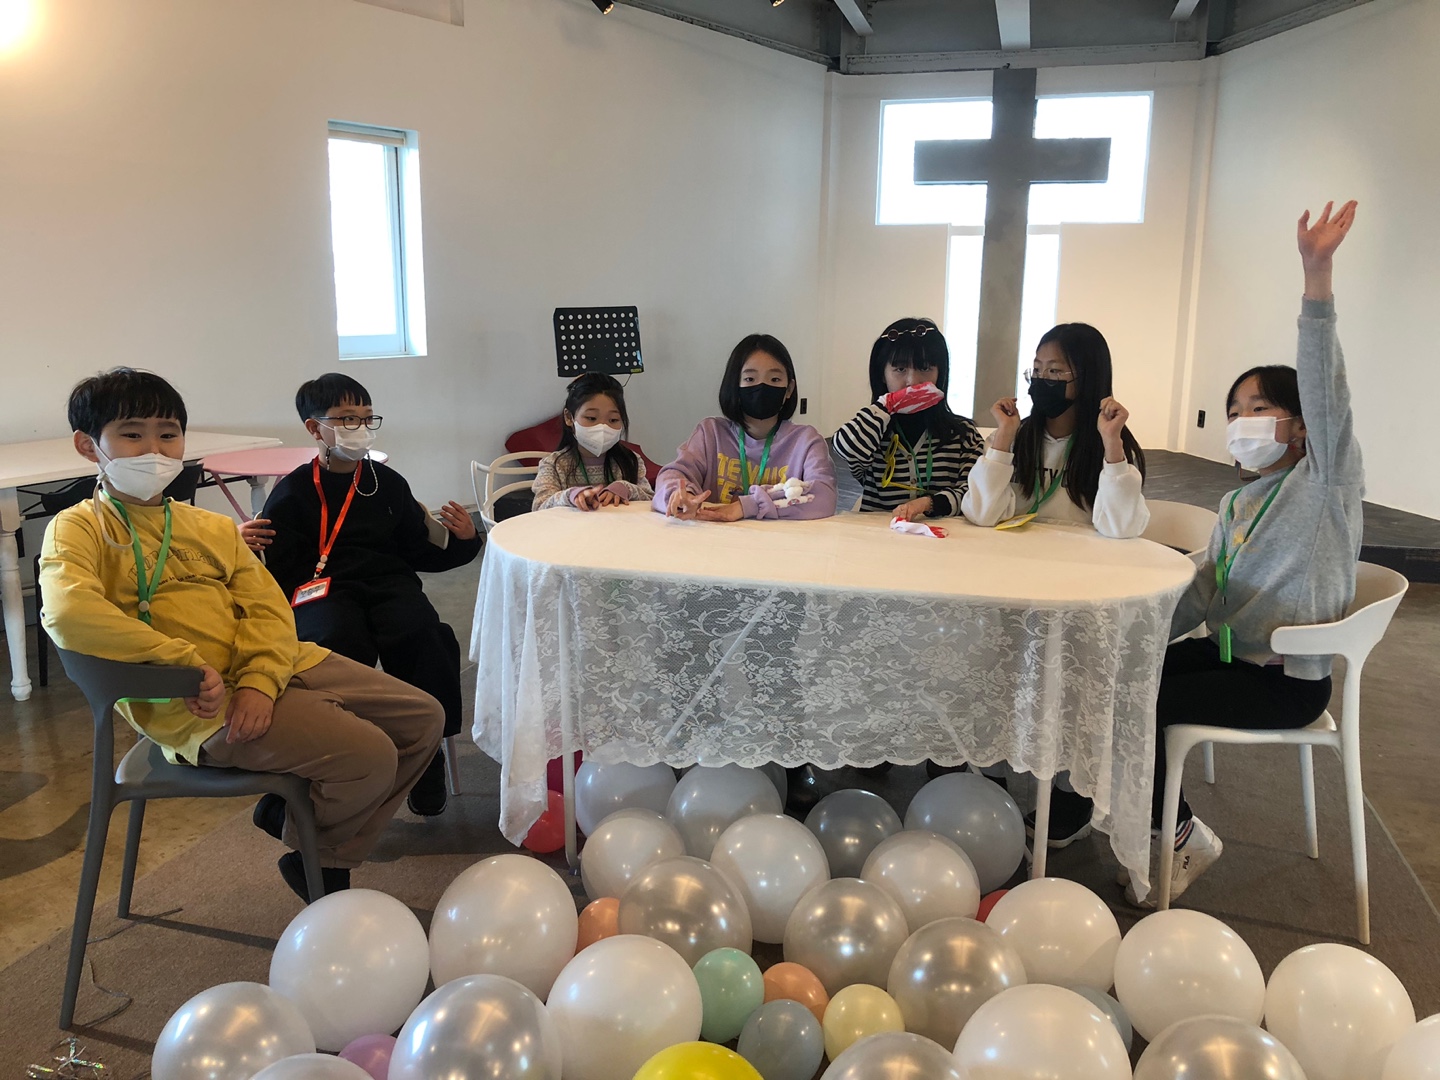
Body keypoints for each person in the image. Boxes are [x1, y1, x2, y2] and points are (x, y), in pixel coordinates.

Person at [39, 368, 443, 902]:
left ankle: (308, 837)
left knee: (423, 719)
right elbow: (68, 612)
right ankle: (324, 867)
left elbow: (267, 606)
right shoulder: (78, 528)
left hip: (275, 666)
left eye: (168, 434)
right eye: (132, 434)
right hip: (195, 702)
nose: (154, 450)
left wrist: (258, 678)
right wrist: (185, 665)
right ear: (89, 446)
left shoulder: (207, 526)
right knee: (369, 757)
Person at [1125, 200, 1363, 906]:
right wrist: (1134, 631)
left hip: (1287, 681)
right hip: (1233, 657)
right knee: (1126, 676)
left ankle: (1180, 835)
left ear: (1300, 424)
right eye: (1234, 412)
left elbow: (1327, 390)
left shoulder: (1324, 484)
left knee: (1153, 702)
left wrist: (1316, 277)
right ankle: (1126, 814)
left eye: (1257, 408)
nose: (1241, 423)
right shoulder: (1235, 505)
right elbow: (1205, 593)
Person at [241, 373, 480, 817]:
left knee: (424, 636)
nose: (361, 428)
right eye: (347, 418)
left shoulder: (387, 483)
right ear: (315, 428)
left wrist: (465, 540)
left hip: (389, 583)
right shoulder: (292, 491)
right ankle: (340, 753)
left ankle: (426, 755)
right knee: (333, 641)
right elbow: (273, 571)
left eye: (368, 418)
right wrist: (243, 549)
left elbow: (420, 549)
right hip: (321, 591)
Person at [962, 323, 1149, 538]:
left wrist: (1112, 444)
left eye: (1054, 371)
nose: (1041, 379)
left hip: (1083, 556)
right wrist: (1004, 437)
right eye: (1037, 369)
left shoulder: (1112, 447)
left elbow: (1122, 529)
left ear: (1087, 377)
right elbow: (981, 514)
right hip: (1016, 553)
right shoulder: (1012, 438)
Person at [653, 334, 837, 522]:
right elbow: (673, 475)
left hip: (779, 540)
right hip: (715, 538)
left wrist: (746, 506)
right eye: (750, 379)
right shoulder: (710, 434)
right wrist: (681, 496)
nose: (762, 387)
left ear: (789, 389)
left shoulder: (806, 441)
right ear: (735, 385)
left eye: (775, 379)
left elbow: (824, 496)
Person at [831, 317, 985, 520]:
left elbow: (975, 493)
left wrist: (928, 503)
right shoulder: (872, 430)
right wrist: (887, 404)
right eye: (900, 369)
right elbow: (845, 449)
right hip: (877, 535)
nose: (913, 381)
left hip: (942, 536)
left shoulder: (963, 434)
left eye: (925, 368)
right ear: (882, 375)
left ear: (940, 373)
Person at [532, 372, 654, 511]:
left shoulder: (630, 461)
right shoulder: (553, 465)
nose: (602, 427)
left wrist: (626, 488)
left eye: (613, 420)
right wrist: (570, 496)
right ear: (569, 417)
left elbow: (651, 502)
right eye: (591, 418)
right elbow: (539, 507)